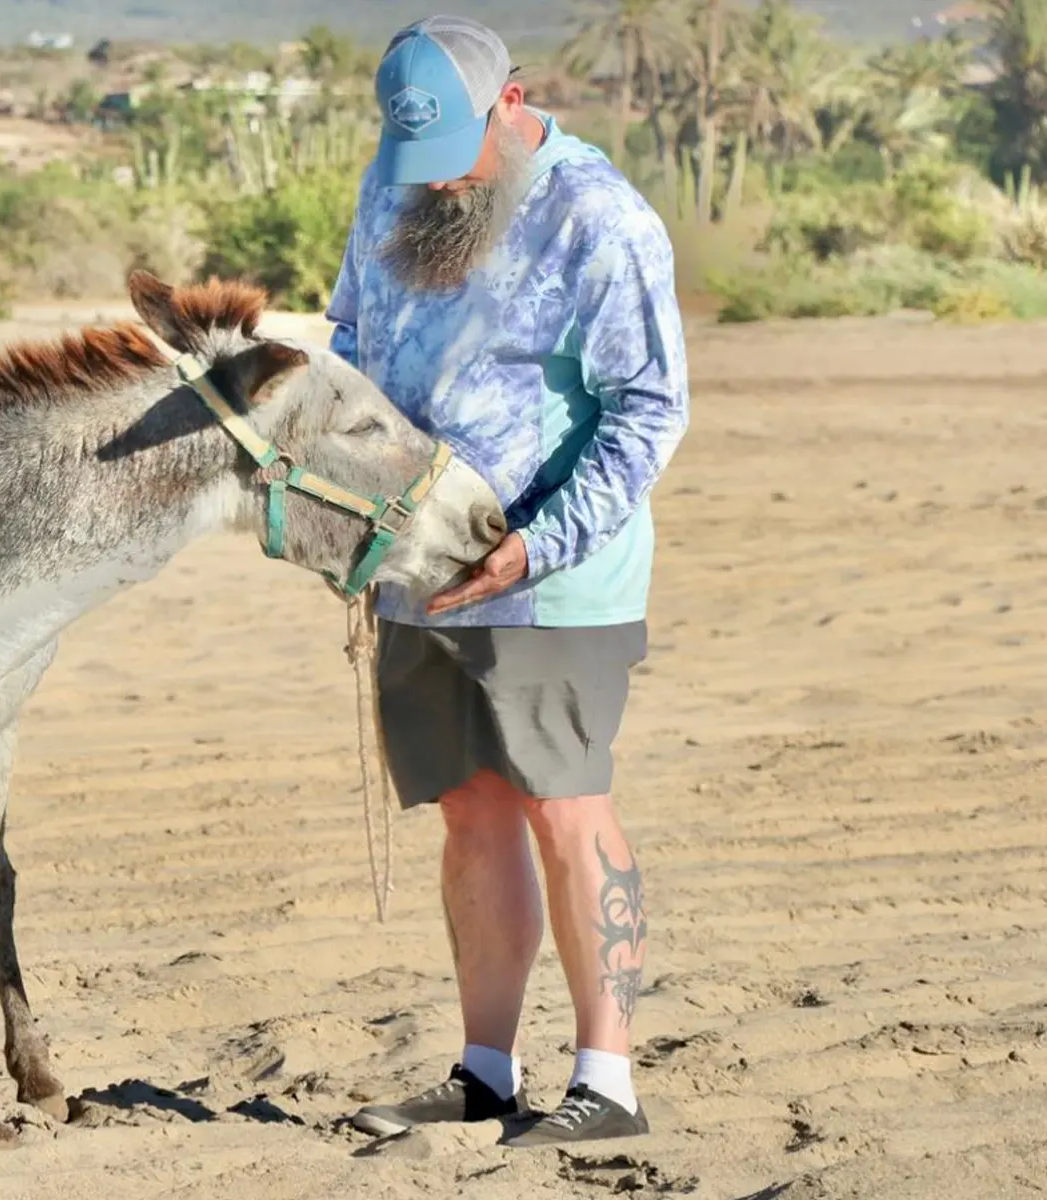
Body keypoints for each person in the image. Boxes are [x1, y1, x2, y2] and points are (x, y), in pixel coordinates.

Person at [324, 15, 690, 1147]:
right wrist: (346, 520)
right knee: (470, 813)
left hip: (551, 577)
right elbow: (344, 342)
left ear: (511, 103)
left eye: (458, 158)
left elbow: (646, 412)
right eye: (416, 163)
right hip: (413, 573)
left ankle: (607, 1085)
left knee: (561, 807)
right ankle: (485, 1071)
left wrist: (536, 543)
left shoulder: (598, 217)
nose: (439, 185)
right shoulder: (393, 194)